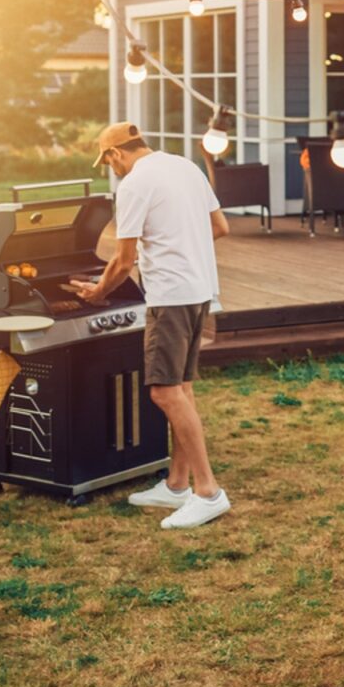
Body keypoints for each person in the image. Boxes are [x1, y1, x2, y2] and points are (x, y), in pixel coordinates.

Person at [69, 122, 231, 529]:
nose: (113, 169)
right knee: (182, 388)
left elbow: (122, 261)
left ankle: (208, 492)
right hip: (199, 291)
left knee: (164, 393)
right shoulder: (186, 166)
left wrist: (97, 293)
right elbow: (219, 228)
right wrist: (176, 250)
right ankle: (176, 485)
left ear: (115, 155)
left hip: (170, 298)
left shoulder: (134, 184)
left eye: (109, 162)